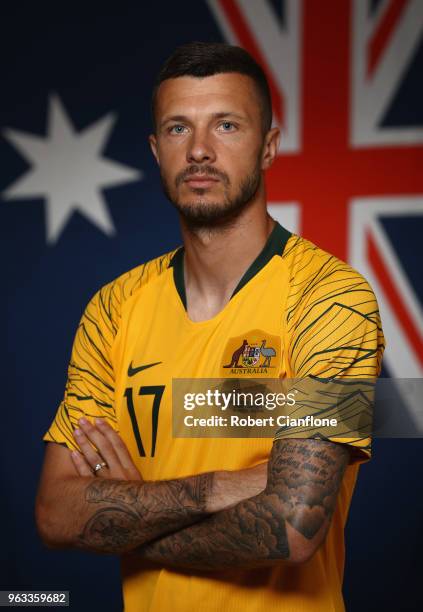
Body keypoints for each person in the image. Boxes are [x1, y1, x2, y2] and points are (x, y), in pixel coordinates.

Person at [35, 42, 385, 612]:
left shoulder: (332, 299)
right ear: (155, 149)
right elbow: (55, 513)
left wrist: (131, 510)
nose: (199, 150)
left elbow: (293, 525)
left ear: (268, 146)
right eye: (178, 128)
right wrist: (229, 485)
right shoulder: (113, 308)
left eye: (226, 125)